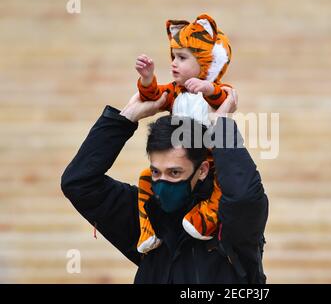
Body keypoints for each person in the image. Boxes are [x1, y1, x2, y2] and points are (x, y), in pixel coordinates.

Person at [60, 88, 269, 283]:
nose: (162, 183)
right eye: (155, 172)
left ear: (203, 170)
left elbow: (245, 198)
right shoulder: (147, 218)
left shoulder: (231, 221)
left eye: (175, 172)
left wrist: (222, 126)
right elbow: (79, 183)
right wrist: (125, 118)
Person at [134, 13, 233, 253]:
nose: (173, 63)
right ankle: (147, 231)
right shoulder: (176, 91)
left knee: (224, 182)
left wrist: (208, 88)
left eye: (182, 57)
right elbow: (153, 96)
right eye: (173, 57)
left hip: (208, 161)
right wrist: (147, 79)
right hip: (179, 158)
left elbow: (224, 97)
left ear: (205, 62)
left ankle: (204, 218)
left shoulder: (215, 89)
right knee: (146, 178)